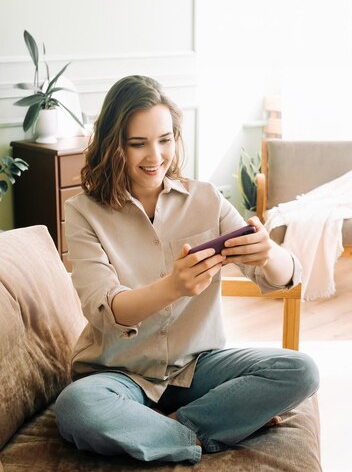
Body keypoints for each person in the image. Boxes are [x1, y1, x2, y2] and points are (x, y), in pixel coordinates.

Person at [55, 75, 319, 464]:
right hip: (118, 375)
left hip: (198, 366)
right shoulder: (83, 213)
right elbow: (103, 310)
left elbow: (284, 277)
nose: (156, 156)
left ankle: (175, 429)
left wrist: (267, 253)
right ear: (115, 145)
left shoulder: (206, 199)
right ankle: (210, 428)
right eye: (138, 143)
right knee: (76, 407)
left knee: (301, 370)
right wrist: (173, 287)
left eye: (165, 139)